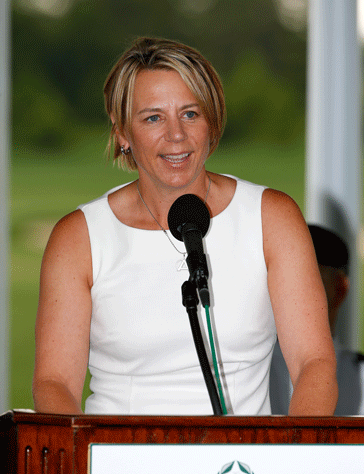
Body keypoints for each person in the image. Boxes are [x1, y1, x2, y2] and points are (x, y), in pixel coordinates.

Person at [32, 37, 337, 416]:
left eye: (190, 114)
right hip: (121, 469)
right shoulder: (77, 238)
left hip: (240, 471)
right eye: (153, 117)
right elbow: (54, 384)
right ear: (122, 132)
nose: (176, 135)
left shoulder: (272, 218)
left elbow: (314, 364)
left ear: (213, 120)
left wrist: (289, 463)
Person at [270, 224, 364, 415]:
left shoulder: (362, 377)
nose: (286, 290)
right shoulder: (244, 365)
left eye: (305, 277)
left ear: (339, 288)